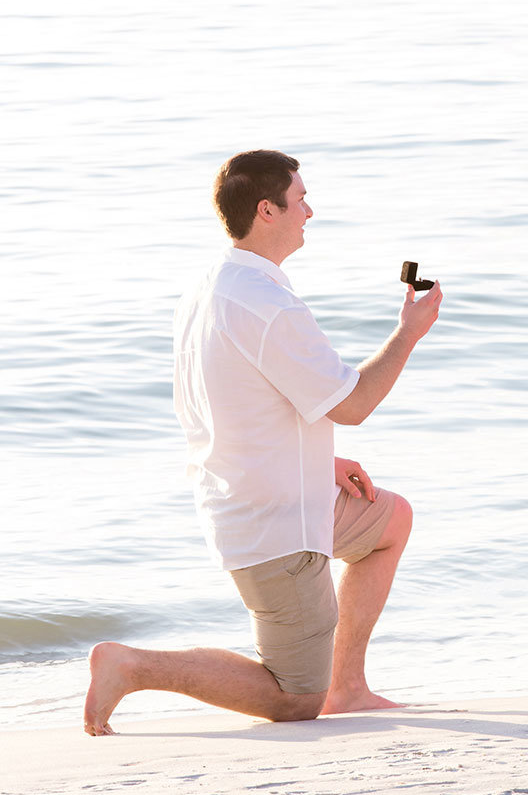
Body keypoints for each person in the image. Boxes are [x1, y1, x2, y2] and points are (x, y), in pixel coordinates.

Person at [84, 149, 442, 735]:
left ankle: (348, 687)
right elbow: (353, 405)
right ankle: (131, 666)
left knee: (390, 521)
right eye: (300, 200)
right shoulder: (268, 304)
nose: (310, 211)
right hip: (274, 523)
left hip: (268, 494)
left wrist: (318, 459)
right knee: (297, 699)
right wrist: (408, 334)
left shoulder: (212, 284)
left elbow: (236, 402)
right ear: (267, 210)